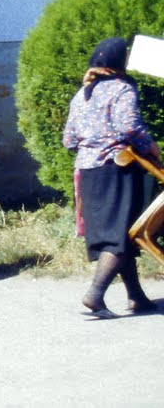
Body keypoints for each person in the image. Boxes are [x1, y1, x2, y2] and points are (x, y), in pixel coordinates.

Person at [62, 37, 160, 318]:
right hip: (116, 169)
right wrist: (150, 146)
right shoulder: (122, 89)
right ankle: (95, 293)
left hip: (88, 172)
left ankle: (136, 296)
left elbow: (69, 139)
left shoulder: (81, 95)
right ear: (120, 63)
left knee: (121, 233)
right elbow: (128, 126)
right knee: (119, 236)